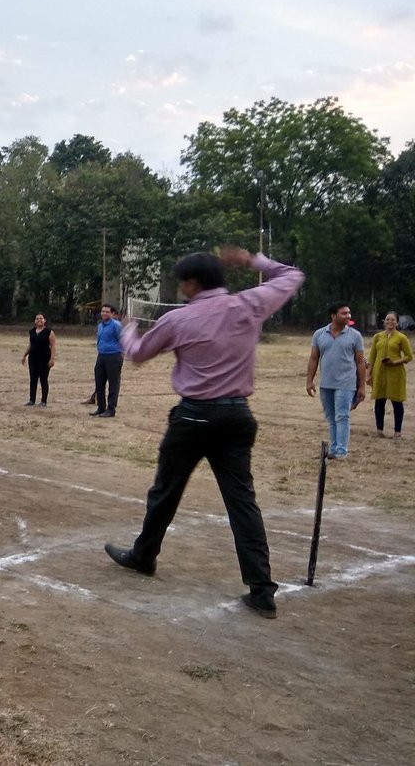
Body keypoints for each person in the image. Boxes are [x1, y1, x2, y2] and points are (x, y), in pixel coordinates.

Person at [104, 245, 304, 619]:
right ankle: (262, 589)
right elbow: (293, 275)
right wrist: (252, 261)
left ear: (193, 283)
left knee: (166, 490)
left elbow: (138, 354)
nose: (183, 289)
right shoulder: (249, 304)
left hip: (194, 416)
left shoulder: (180, 319)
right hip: (237, 416)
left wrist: (129, 330)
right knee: (242, 502)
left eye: (184, 283)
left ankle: (144, 556)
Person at [306, 302, 366, 460]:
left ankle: (341, 451)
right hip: (326, 384)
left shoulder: (355, 336)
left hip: (346, 384)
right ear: (333, 316)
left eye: (349, 313)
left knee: (342, 416)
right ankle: (332, 449)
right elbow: (313, 358)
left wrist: (362, 386)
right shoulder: (319, 334)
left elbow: (360, 362)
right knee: (331, 418)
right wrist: (309, 381)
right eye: (344, 313)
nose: (348, 316)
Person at [366, 311, 411, 440]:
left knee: (397, 402)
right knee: (379, 401)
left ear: (397, 322)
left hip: (395, 374)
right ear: (384, 321)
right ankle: (379, 429)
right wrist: (368, 374)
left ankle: (397, 432)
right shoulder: (377, 337)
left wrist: (394, 362)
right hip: (379, 373)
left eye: (392, 320)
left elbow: (409, 356)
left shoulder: (401, 337)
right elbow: (372, 356)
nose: (390, 322)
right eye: (387, 319)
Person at [92, 303, 123, 417]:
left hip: (113, 356)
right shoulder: (100, 325)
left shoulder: (116, 325)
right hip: (101, 356)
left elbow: (123, 339)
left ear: (112, 313)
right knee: (99, 382)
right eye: (103, 311)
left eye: (107, 312)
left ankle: (111, 409)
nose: (104, 313)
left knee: (113, 383)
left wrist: (121, 354)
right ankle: (101, 407)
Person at [21, 313, 56, 406]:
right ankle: (32, 400)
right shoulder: (32, 331)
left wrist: (52, 359)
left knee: (43, 379)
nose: (39, 320)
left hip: (44, 359)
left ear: (45, 320)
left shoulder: (49, 332)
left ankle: (43, 401)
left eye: (41, 318)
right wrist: (24, 355)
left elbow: (53, 346)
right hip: (33, 358)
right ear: (34, 321)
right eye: (37, 319)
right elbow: (30, 344)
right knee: (33, 379)